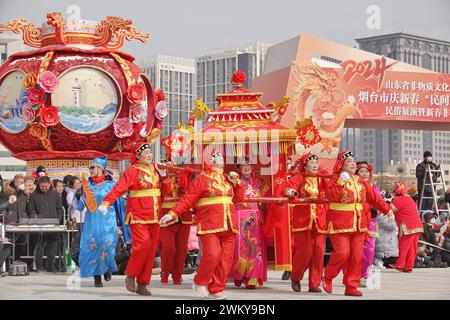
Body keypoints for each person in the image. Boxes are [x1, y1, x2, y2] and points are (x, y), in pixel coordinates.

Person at [160, 151, 244, 300]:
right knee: (212, 255)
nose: (222, 161)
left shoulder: (226, 180)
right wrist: (173, 214)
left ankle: (216, 289)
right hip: (210, 223)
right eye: (218, 159)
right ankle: (200, 282)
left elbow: (237, 199)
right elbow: (188, 199)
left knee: (226, 260)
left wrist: (237, 185)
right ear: (210, 162)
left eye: (222, 159)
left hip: (229, 224)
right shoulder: (202, 178)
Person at [323, 151, 393, 296]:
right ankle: (328, 277)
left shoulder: (360, 181)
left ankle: (351, 286)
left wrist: (388, 210)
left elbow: (374, 198)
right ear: (341, 164)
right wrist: (341, 182)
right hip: (340, 224)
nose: (353, 163)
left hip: (359, 224)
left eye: (354, 161)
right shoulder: (335, 179)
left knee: (356, 256)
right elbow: (330, 196)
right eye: (349, 161)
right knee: (342, 253)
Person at [99, 143, 162, 296]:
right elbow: (119, 188)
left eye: (150, 152)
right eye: (145, 153)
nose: (149, 155)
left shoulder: (155, 170)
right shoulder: (132, 171)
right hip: (138, 214)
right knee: (143, 246)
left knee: (151, 250)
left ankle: (143, 283)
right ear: (138, 155)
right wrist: (107, 202)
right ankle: (131, 273)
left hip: (155, 215)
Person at [77, 156, 128, 288]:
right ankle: (97, 277)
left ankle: (107, 269)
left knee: (108, 248)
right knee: (93, 247)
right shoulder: (87, 185)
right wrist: (80, 195)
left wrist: (122, 224)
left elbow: (120, 206)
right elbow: (79, 207)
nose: (91, 170)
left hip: (108, 223)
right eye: (90, 168)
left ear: (101, 169)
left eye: (93, 167)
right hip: (92, 223)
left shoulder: (112, 185)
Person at [284, 153, 328, 293]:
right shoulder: (299, 177)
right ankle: (296, 276)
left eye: (316, 162)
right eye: (312, 163)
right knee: (304, 252)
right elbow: (288, 188)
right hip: (303, 219)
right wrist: (291, 192)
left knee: (319, 252)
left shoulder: (321, 178)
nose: (315, 165)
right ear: (305, 165)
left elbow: (331, 190)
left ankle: (314, 284)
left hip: (320, 219)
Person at [229, 158, 268, 289]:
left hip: (255, 217)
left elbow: (265, 200)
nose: (246, 168)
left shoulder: (259, 182)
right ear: (238, 168)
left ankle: (253, 276)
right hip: (239, 216)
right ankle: (239, 274)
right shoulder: (233, 181)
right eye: (243, 166)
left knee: (255, 247)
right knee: (240, 247)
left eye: (249, 165)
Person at [159, 164, 193, 285]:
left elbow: (190, 193)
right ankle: (165, 273)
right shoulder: (161, 180)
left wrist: (186, 175)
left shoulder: (184, 179)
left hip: (184, 218)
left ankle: (177, 276)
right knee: (169, 248)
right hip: (166, 217)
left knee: (182, 250)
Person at [28, 176, 64, 273]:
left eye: (45, 186)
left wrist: (58, 218)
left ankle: (50, 266)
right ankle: (39, 266)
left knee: (52, 245)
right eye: (41, 186)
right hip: (40, 224)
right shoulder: (34, 195)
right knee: (40, 245)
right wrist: (35, 217)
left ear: (49, 184)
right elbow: (31, 209)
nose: (44, 188)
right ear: (38, 185)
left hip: (53, 223)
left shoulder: (55, 194)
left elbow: (59, 208)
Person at [389, 182, 424, 272]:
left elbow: (389, 212)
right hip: (418, 224)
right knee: (412, 247)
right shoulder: (409, 199)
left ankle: (400, 264)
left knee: (404, 246)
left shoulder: (396, 200)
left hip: (407, 225)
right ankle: (409, 266)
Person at [355, 161, 380, 287]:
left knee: (369, 251)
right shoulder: (354, 185)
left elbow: (379, 202)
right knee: (355, 250)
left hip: (371, 222)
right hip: (357, 220)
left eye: (366, 171)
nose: (364, 174)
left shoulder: (374, 187)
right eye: (361, 171)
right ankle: (354, 274)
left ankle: (365, 276)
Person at [374, 193, 399, 268]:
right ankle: (377, 261)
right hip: (385, 251)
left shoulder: (385, 216)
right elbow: (392, 226)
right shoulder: (383, 217)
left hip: (388, 249)